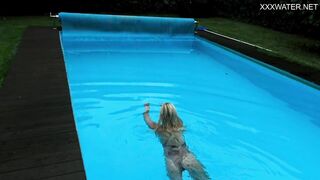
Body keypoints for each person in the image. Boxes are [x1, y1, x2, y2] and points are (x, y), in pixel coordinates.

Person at [143, 102, 210, 180]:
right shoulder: (179, 125)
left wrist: (147, 109)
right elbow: (172, 116)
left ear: (161, 116)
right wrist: (166, 108)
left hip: (172, 160)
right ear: (174, 114)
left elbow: (147, 119)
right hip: (186, 156)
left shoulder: (158, 129)